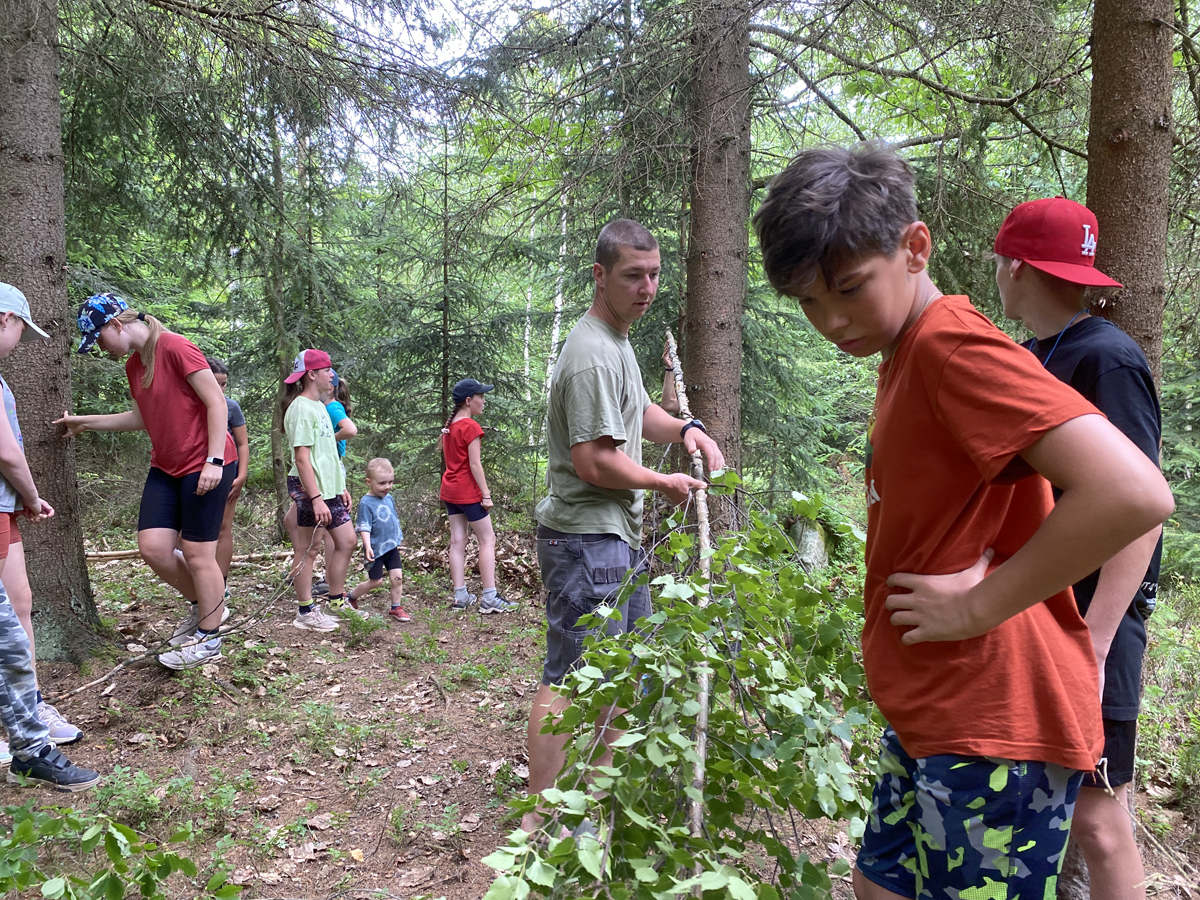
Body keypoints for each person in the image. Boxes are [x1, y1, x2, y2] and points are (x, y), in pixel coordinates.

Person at [751, 144, 1174, 900]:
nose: (831, 320)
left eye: (848, 288)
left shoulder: (952, 346)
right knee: (877, 885)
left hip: (993, 721)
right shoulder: (905, 348)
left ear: (915, 248)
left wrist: (978, 605)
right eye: (808, 302)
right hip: (936, 706)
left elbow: (1133, 493)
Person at [522, 219, 725, 834]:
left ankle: (593, 803)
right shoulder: (589, 353)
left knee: (619, 673)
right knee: (572, 677)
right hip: (585, 539)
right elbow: (593, 461)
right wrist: (662, 482)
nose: (647, 288)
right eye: (633, 275)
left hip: (615, 538)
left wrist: (686, 430)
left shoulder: (617, 341)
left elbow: (638, 412)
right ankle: (541, 821)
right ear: (600, 275)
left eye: (654, 274)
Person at [995, 196, 1161, 900]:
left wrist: (1094, 644)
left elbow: (1144, 508)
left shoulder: (1106, 358)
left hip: (1094, 622)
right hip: (1039, 614)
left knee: (1098, 813)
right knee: (1039, 797)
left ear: (1016, 266)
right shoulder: (1032, 357)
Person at [60, 295, 237, 671]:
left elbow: (216, 403)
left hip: (205, 462)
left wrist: (214, 460)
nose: (101, 349)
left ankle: (209, 638)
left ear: (116, 325)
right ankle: (207, 608)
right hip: (167, 466)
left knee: (197, 554)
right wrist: (85, 422)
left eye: (100, 339)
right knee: (154, 548)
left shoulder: (175, 347)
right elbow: (142, 417)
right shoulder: (134, 365)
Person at [0, 283, 98, 791]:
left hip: (4, 509)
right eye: (20, 328)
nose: (20, 341)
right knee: (6, 633)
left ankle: (30, 707)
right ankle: (27, 742)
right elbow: (7, 453)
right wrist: (33, 496)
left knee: (19, 605)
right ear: (5, 319)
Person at [283, 349, 352, 632]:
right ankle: (305, 610)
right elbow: (302, 459)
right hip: (310, 488)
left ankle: (336, 602)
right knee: (308, 549)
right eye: (327, 370)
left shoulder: (320, 407)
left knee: (347, 541)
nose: (331, 375)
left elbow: (327, 452)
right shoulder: (300, 408)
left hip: (328, 487)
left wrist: (340, 485)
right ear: (311, 374)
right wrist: (316, 499)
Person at [439, 378, 515, 614]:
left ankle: (460, 596)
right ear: (468, 401)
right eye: (481, 397)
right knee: (487, 540)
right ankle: (490, 597)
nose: (484, 401)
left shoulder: (449, 427)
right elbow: (475, 464)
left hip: (450, 490)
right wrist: (486, 494)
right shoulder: (470, 427)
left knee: (457, 541)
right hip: (468, 492)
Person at [206, 358, 250, 592]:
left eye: (224, 384)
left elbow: (242, 443)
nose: (220, 389)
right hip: (194, 471)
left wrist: (241, 476)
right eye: (216, 383)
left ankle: (221, 585)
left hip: (228, 472)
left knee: (223, 527)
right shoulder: (190, 404)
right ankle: (199, 581)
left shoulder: (231, 407)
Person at [348, 458, 407, 622]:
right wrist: (367, 546)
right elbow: (364, 526)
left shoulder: (389, 498)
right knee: (376, 581)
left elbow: (393, 519)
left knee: (397, 578)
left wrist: (397, 537)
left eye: (390, 482)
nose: (387, 486)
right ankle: (351, 597)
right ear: (369, 482)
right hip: (375, 549)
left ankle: (396, 607)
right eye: (382, 483)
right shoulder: (366, 503)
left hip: (391, 547)